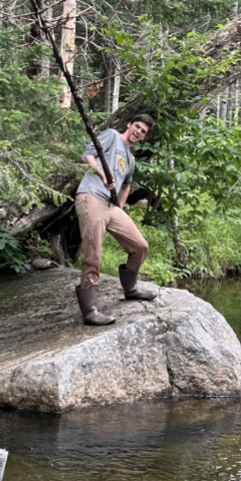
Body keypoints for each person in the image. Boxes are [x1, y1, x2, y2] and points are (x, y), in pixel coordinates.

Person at [73, 113, 158, 326]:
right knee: (93, 253)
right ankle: (90, 311)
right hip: (91, 197)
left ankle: (130, 289)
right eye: (136, 126)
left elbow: (127, 184)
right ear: (129, 125)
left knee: (140, 245)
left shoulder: (130, 159)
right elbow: (88, 156)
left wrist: (119, 206)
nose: (138, 131)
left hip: (110, 206)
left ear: (143, 137)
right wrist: (102, 175)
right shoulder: (111, 136)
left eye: (143, 131)